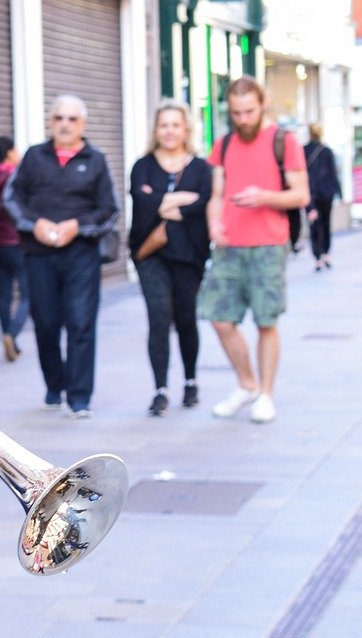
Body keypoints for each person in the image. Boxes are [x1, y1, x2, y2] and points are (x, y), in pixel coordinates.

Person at [199, 76, 309, 424]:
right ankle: (246, 384)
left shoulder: (284, 141)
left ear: (263, 105)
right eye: (236, 113)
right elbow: (217, 193)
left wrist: (264, 197)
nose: (243, 119)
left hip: (268, 246)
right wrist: (214, 225)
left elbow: (301, 195)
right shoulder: (225, 143)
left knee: (266, 322)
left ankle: (266, 395)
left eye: (249, 111)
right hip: (229, 245)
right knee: (219, 319)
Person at [3, 94, 120, 418]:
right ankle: (55, 387)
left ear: (82, 124)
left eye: (72, 119)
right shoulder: (33, 157)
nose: (65, 124)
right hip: (39, 254)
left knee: (81, 323)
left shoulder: (95, 159)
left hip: (81, 255)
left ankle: (79, 398)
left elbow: (110, 209)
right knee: (46, 324)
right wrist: (34, 224)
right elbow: (12, 198)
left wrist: (77, 226)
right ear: (50, 122)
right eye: (59, 118)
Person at [127, 99, 211, 417]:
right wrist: (179, 201)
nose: (170, 131)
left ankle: (190, 381)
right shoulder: (142, 166)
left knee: (186, 318)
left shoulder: (201, 168)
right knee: (159, 316)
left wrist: (162, 201)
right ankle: (160, 389)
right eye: (164, 125)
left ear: (186, 129)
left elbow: (203, 205)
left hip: (189, 256)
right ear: (155, 129)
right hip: (151, 255)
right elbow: (143, 204)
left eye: (176, 124)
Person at [0, 134, 29, 362]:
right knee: (27, 294)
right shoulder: (14, 174)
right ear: (9, 151)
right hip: (15, 243)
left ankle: (8, 339)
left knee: (4, 293)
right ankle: (12, 335)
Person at [303, 123, 340, 272]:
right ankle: (326, 253)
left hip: (311, 193)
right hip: (327, 192)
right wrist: (340, 193)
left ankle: (317, 256)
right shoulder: (327, 151)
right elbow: (333, 174)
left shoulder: (303, 150)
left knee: (314, 225)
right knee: (326, 223)